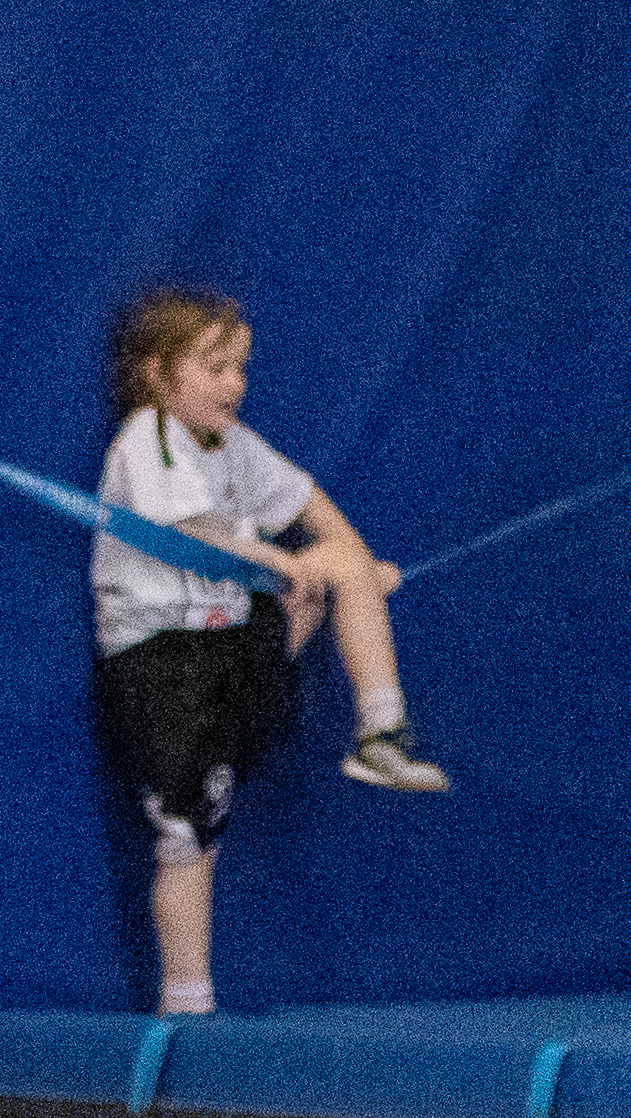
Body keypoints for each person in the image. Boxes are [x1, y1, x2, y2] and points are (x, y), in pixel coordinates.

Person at [86, 288, 449, 1018]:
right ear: (159, 375)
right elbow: (200, 538)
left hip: (231, 647)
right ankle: (185, 1004)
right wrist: (283, 564)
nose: (234, 385)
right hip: (162, 663)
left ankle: (380, 730)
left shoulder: (236, 447)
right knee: (189, 835)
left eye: (240, 368)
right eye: (214, 368)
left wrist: (357, 564)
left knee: (339, 570)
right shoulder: (147, 438)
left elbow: (310, 505)